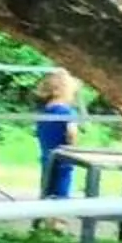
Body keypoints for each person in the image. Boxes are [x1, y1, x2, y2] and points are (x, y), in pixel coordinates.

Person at [32, 69, 81, 205]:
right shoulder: (68, 112)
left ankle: (46, 214)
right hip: (64, 159)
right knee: (61, 193)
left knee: (47, 191)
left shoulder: (42, 113)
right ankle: (58, 215)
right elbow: (72, 133)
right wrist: (73, 146)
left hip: (47, 157)